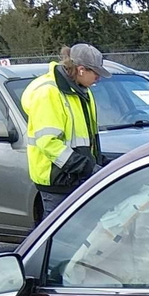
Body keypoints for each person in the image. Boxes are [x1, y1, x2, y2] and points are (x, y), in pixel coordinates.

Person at [22, 44, 109, 222]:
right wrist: (87, 167)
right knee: (59, 239)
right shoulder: (49, 93)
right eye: (96, 73)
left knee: (77, 236)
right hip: (58, 181)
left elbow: (87, 139)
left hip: (76, 178)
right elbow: (48, 142)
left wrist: (101, 162)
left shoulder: (81, 91)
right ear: (81, 70)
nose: (98, 78)